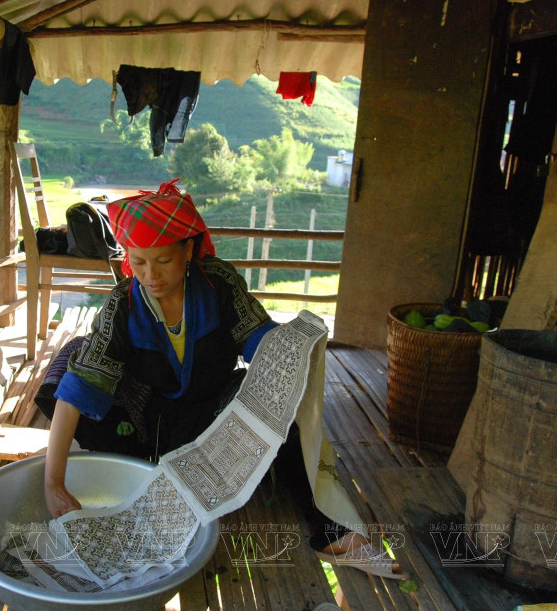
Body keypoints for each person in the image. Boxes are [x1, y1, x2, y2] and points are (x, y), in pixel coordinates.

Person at [36, 180, 404, 579]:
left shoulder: (218, 282)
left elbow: (259, 340)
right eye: (138, 262)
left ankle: (330, 533)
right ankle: (146, 472)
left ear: (188, 250)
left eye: (163, 260)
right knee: (67, 376)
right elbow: (81, 387)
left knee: (281, 408)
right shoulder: (122, 305)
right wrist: (54, 481)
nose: (150, 275)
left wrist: (293, 349)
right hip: (150, 422)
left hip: (216, 411)